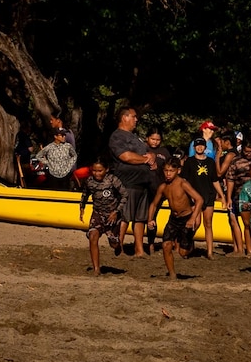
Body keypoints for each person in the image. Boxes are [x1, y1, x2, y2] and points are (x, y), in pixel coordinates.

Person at [106, 108, 156, 257]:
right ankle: (118, 246)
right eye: (134, 117)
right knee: (125, 216)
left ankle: (139, 249)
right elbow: (125, 156)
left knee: (140, 218)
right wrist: (146, 159)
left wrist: (152, 156)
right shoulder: (117, 137)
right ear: (125, 117)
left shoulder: (135, 137)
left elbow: (148, 152)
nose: (136, 120)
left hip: (143, 183)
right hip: (127, 182)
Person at [148, 159, 204, 280]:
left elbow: (199, 199)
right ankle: (172, 274)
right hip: (173, 219)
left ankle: (189, 245)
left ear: (178, 171)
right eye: (166, 171)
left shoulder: (183, 184)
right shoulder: (163, 187)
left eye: (171, 171)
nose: (168, 174)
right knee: (166, 245)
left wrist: (193, 218)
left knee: (182, 252)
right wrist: (150, 219)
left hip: (186, 219)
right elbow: (153, 204)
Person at [78, 159, 125, 275]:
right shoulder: (89, 181)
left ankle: (117, 244)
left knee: (113, 244)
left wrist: (116, 212)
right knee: (93, 236)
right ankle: (96, 269)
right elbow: (85, 194)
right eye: (94, 171)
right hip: (97, 214)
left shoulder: (113, 180)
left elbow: (125, 195)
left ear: (106, 170)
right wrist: (82, 208)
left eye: (100, 171)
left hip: (112, 215)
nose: (97, 173)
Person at [183, 138, 220, 258]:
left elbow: (215, 180)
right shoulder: (189, 162)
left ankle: (209, 251)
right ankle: (185, 242)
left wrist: (222, 195)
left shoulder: (210, 162)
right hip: (195, 196)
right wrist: (189, 195)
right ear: (194, 148)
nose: (199, 148)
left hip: (208, 195)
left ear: (205, 147)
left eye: (202, 146)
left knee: (208, 223)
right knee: (196, 222)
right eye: (197, 146)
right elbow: (184, 180)